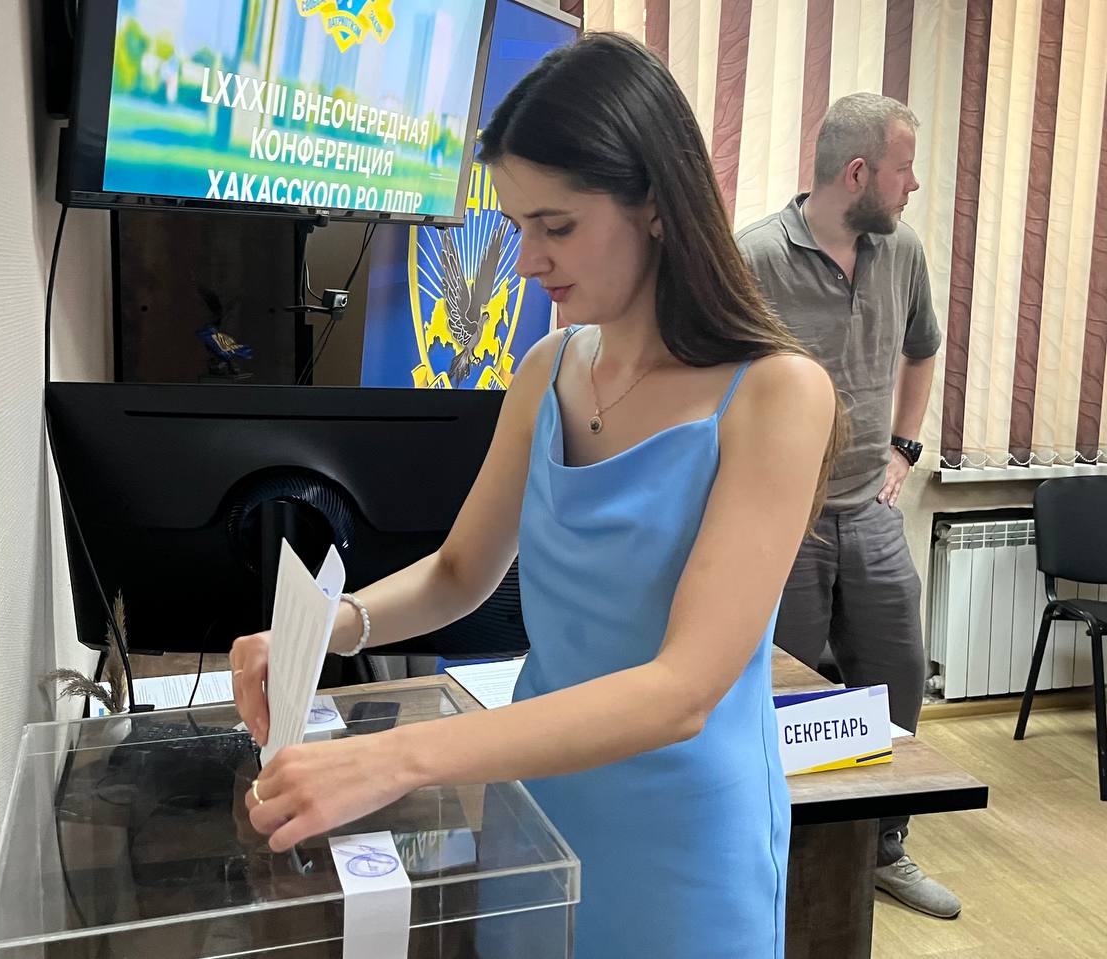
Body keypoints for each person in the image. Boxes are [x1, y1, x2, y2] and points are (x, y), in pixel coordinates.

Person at [231, 33, 844, 957]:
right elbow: (458, 572)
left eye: (556, 227)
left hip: (681, 839)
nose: (525, 262)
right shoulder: (548, 368)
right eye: (518, 225)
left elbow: (681, 690)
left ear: (657, 205)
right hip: (539, 802)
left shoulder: (775, 394)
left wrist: (392, 758)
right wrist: (327, 628)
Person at [735, 93, 959, 920]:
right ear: (858, 172)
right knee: (783, 691)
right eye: (904, 169)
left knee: (897, 670)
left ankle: (883, 847)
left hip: (868, 506)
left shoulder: (902, 250)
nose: (912, 186)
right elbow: (710, 377)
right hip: (782, 518)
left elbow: (922, 349)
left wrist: (904, 447)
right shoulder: (755, 256)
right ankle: (780, 853)